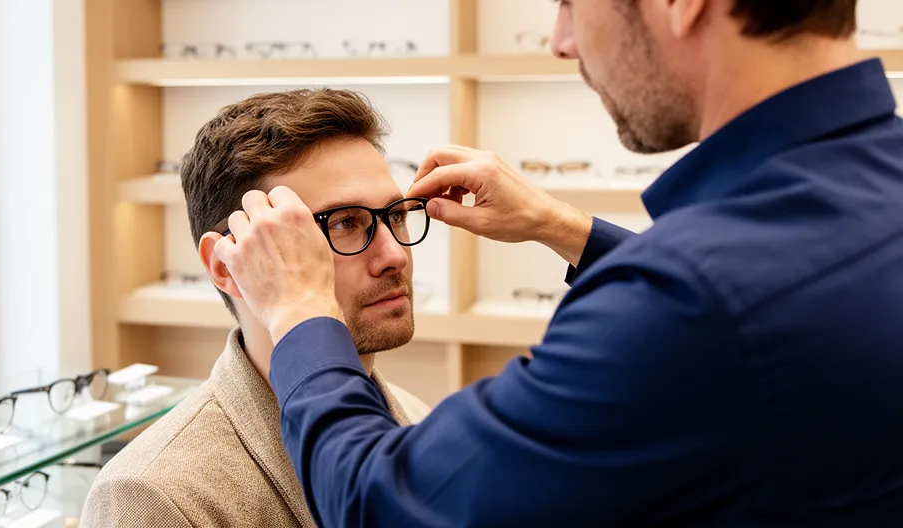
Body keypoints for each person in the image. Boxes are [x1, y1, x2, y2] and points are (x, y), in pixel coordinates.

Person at [212, 1, 903, 526]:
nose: (561, 40)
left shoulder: (692, 302)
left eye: (573, 2)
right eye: (352, 226)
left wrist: (302, 311)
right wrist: (562, 228)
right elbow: (763, 318)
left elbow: (379, 503)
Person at [79, 89, 431, 528]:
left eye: (396, 215)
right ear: (226, 266)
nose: (394, 255)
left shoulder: (416, 419)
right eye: (344, 223)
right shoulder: (153, 494)